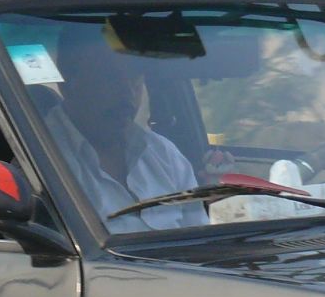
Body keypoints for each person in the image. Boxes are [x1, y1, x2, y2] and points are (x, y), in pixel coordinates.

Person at [41, 30, 207, 232]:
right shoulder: (40, 159)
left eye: (135, 77)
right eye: (110, 77)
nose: (127, 92)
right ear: (67, 84)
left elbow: (198, 239)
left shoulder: (164, 155)